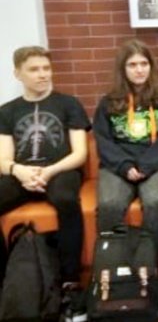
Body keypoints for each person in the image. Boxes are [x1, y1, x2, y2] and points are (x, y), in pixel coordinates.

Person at [0, 46, 90, 290]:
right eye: (34, 69)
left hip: (61, 170)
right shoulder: (7, 111)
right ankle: (6, 278)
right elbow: (3, 159)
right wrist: (19, 171)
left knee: (66, 199)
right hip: (21, 173)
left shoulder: (69, 104)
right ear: (17, 74)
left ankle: (70, 279)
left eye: (46, 68)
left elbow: (80, 153)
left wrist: (49, 171)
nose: (42, 74)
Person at [93, 39, 158, 255]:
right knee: (109, 204)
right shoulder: (108, 102)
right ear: (123, 69)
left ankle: (147, 262)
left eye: (144, 64)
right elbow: (103, 140)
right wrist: (124, 165)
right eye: (132, 65)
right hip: (118, 165)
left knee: (156, 202)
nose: (139, 70)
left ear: (151, 66)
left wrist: (146, 165)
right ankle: (114, 263)